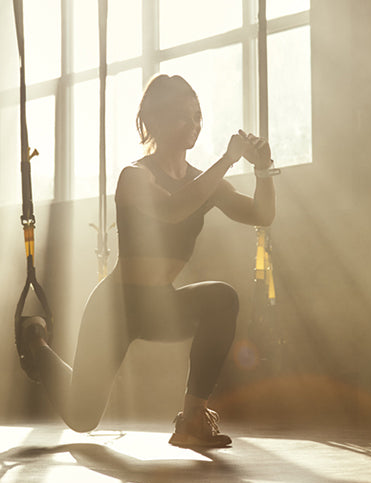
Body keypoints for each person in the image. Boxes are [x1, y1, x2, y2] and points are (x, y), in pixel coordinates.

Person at [19, 74, 276, 448]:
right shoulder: (134, 176)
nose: (194, 125)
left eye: (197, 116)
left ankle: (191, 419)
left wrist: (263, 169)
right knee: (81, 418)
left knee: (223, 298)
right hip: (116, 306)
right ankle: (37, 343)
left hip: (160, 304)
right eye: (183, 116)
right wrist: (228, 158)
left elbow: (262, 214)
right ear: (154, 121)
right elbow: (172, 210)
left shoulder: (206, 183)